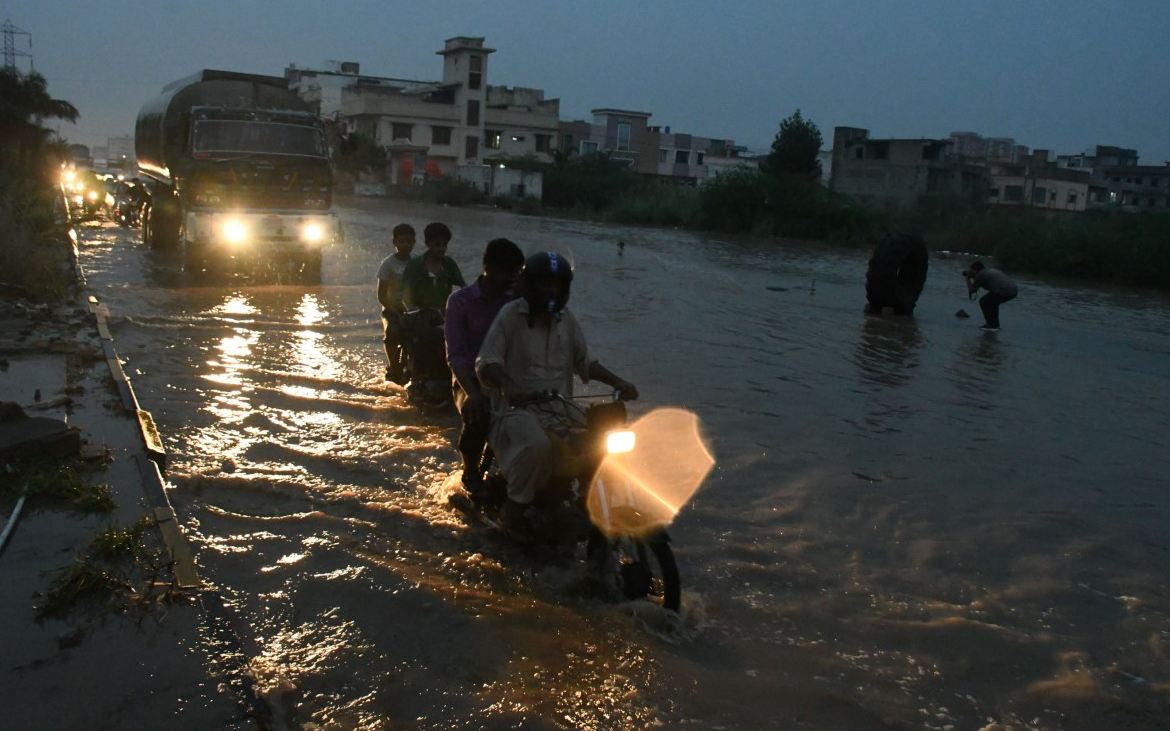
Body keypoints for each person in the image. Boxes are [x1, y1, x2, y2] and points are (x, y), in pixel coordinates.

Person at [475, 251, 639, 542]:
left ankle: (589, 500)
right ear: (529, 284)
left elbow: (585, 362)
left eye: (558, 285)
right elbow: (487, 363)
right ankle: (516, 507)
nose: (552, 290)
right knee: (537, 445)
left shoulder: (567, 321)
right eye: (545, 283)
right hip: (517, 411)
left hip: (561, 407)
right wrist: (510, 387)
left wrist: (620, 382)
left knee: (606, 439)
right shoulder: (510, 316)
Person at [444, 238, 526, 498]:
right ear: (490, 269)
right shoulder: (460, 302)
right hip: (470, 380)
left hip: (507, 378)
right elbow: (455, 355)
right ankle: (470, 472)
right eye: (510, 273)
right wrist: (472, 392)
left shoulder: (517, 301)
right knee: (477, 414)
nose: (514, 278)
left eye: (518, 273)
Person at [376, 223, 416, 383]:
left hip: (413, 309)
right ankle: (393, 366)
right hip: (392, 309)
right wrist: (397, 313)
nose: (405, 245)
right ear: (395, 243)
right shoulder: (388, 264)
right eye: (402, 242)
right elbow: (381, 296)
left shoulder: (418, 262)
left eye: (409, 241)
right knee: (392, 333)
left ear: (414, 242)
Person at [400, 222, 467, 312]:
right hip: (420, 316)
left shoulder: (449, 264)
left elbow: (464, 287)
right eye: (437, 244)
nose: (441, 248)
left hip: (444, 315)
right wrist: (411, 308)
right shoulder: (414, 265)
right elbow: (405, 293)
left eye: (444, 244)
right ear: (427, 244)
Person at [964, 260, 1018, 332]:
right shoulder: (988, 271)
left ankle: (991, 325)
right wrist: (973, 277)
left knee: (983, 301)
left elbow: (973, 290)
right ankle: (995, 325)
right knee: (992, 302)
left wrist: (967, 278)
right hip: (1013, 290)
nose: (970, 272)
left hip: (1005, 291)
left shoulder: (981, 275)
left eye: (972, 270)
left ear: (976, 270)